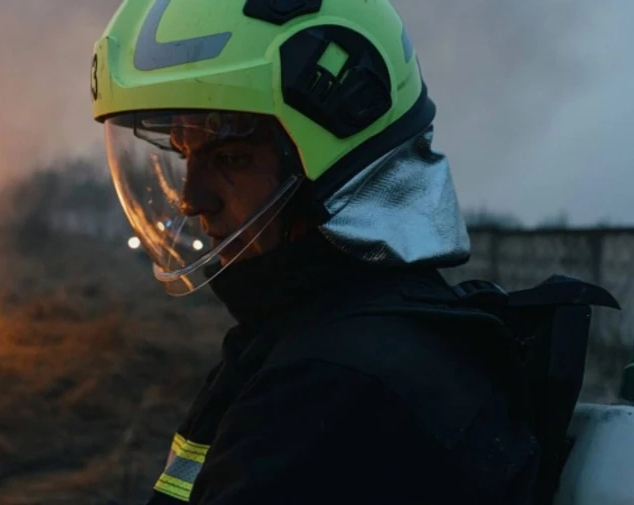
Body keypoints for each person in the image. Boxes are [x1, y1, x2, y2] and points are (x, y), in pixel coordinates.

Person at [91, 0, 540, 503]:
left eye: (231, 157)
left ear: (331, 162)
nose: (192, 198)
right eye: (183, 155)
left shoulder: (337, 389)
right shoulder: (314, 336)